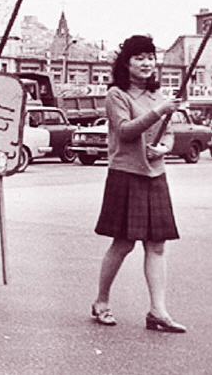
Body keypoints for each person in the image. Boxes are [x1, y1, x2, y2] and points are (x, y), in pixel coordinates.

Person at [91, 35, 186, 333]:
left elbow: (168, 133)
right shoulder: (116, 95)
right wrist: (159, 112)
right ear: (126, 62)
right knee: (123, 243)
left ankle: (158, 311)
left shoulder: (160, 96)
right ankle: (101, 302)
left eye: (150, 57)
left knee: (157, 246)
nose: (147, 63)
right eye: (139, 57)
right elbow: (125, 132)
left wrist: (165, 148)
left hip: (155, 174)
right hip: (126, 173)